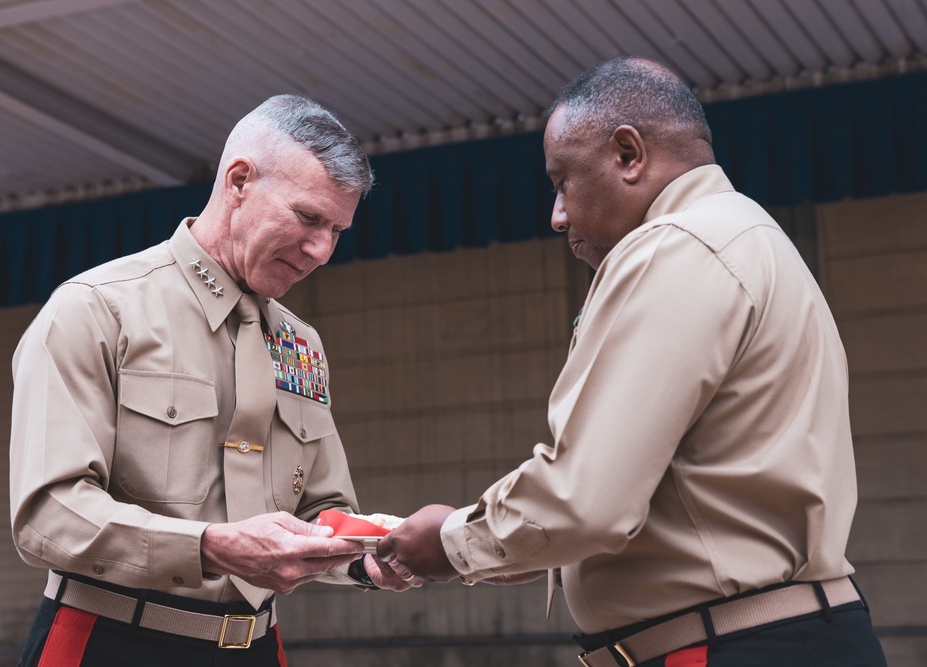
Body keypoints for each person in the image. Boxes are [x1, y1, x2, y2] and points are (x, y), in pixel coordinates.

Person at [378, 57, 888, 666]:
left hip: (733, 644)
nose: (557, 215)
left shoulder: (673, 244)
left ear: (628, 155)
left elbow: (587, 501)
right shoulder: (751, 237)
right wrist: (525, 549)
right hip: (782, 632)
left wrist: (452, 541)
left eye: (562, 181)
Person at [10, 95, 418, 667]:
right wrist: (211, 548)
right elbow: (48, 515)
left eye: (336, 230)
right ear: (240, 180)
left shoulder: (302, 345)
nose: (322, 250)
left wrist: (365, 555)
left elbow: (321, 510)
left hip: (255, 647)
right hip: (112, 642)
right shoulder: (95, 310)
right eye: (308, 218)